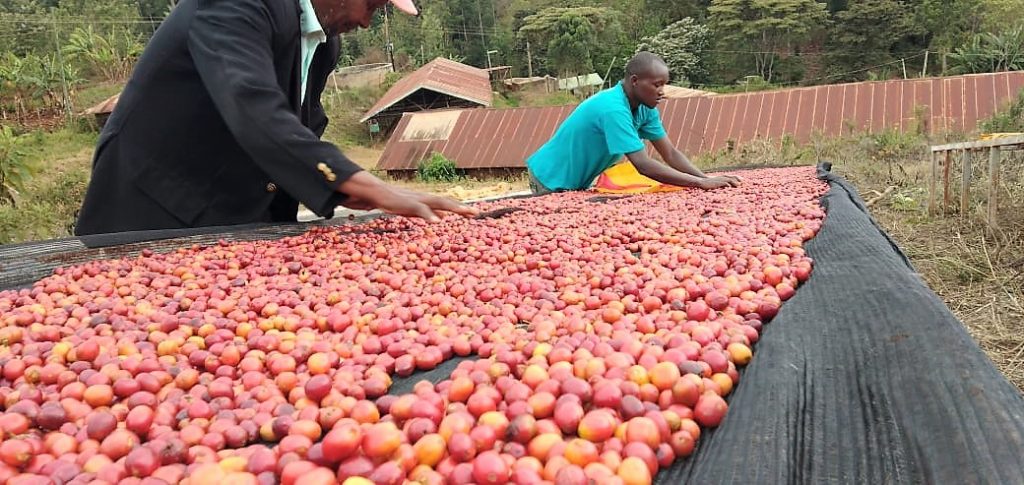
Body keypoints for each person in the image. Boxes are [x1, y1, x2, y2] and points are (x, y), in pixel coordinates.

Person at [74, 0, 477, 236]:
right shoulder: (235, 6)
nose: (367, 21)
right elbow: (254, 109)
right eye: (371, 3)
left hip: (236, 222)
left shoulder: (324, 44)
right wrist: (374, 188)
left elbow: (299, 132)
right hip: (154, 213)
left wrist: (354, 192)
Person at [525, 52, 742, 195]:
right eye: (656, 85)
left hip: (574, 184)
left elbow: (670, 154)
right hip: (549, 179)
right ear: (635, 81)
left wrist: (707, 179)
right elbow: (643, 164)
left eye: (664, 85)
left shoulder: (645, 108)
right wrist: (699, 184)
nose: (661, 91)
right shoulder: (613, 108)